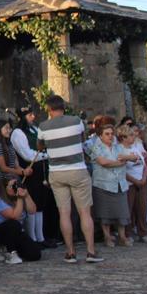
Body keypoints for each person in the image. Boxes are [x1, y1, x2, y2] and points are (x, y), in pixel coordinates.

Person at [38, 95, 103, 263]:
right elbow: (81, 139)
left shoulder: (43, 126)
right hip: (77, 169)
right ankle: (90, 251)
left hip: (57, 172)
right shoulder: (76, 121)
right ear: (63, 107)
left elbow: (40, 146)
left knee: (64, 213)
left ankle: (70, 252)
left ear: (49, 109)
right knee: (84, 212)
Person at [11, 107, 56, 248]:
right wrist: (46, 155)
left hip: (40, 170)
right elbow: (27, 154)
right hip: (29, 170)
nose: (33, 117)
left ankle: (40, 237)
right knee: (32, 205)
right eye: (30, 115)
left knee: (40, 204)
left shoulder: (35, 129)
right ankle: (32, 238)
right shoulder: (18, 133)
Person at [89, 124, 138, 247]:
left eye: (111, 133)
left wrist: (125, 158)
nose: (110, 136)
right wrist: (120, 162)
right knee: (105, 214)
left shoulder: (118, 147)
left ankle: (122, 237)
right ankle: (107, 237)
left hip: (119, 184)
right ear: (100, 135)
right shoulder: (96, 147)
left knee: (122, 212)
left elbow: (134, 157)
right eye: (107, 134)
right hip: (103, 185)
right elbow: (103, 162)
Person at [0, 178, 42, 264]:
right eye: (13, 186)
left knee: (35, 254)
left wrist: (26, 195)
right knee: (13, 223)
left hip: (16, 231)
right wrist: (19, 198)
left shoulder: (17, 196)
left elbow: (32, 210)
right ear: (4, 188)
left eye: (17, 185)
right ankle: (11, 253)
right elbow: (14, 216)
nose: (15, 188)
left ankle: (7, 247)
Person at [120, 124, 147, 243]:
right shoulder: (120, 149)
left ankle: (142, 232)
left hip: (141, 182)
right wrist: (135, 181)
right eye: (131, 135)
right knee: (129, 209)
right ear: (123, 137)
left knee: (142, 208)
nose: (134, 137)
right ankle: (128, 233)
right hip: (129, 183)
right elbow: (122, 170)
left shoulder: (136, 147)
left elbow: (144, 165)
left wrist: (143, 179)